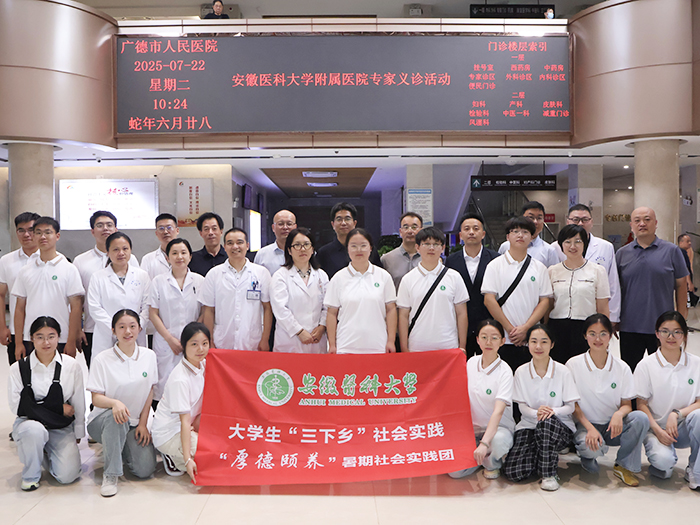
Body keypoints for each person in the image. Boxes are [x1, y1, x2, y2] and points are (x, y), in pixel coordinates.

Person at [567, 314, 649, 486]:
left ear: (611, 336)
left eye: (603, 334)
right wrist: (590, 428)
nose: (598, 339)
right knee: (592, 448)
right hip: (585, 426)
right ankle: (588, 457)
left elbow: (627, 405)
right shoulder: (573, 365)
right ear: (585, 336)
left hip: (612, 427)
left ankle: (624, 465)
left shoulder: (622, 367)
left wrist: (618, 414)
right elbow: (573, 405)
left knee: (640, 418)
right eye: (592, 334)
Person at [8, 316, 85, 491]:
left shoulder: (71, 366)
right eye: (40, 337)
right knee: (34, 431)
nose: (46, 342)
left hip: (59, 425)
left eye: (51, 336)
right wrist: (58, 408)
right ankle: (30, 476)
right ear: (32, 338)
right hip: (29, 423)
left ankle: (42, 453)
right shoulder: (18, 368)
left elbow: (78, 401)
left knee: (68, 476)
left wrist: (79, 430)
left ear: (58, 337)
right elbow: (17, 407)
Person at [86, 309, 158, 497]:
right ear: (113, 330)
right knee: (116, 418)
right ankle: (111, 475)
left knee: (145, 470)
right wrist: (114, 403)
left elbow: (149, 391)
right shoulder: (102, 359)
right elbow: (96, 398)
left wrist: (142, 423)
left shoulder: (149, 356)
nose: (128, 331)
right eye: (122, 327)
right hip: (103, 421)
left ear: (140, 329)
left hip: (134, 423)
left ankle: (120, 448)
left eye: (132, 326)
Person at [503, 324, 580, 491]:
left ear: (552, 344)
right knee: (514, 472)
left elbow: (570, 407)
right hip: (529, 425)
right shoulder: (521, 372)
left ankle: (549, 474)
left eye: (544, 342)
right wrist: (536, 412)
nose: (538, 346)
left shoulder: (563, 371)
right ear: (528, 344)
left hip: (559, 427)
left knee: (546, 423)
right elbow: (522, 408)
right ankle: (541, 455)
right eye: (533, 341)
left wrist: (552, 412)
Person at [616, 207, 688, 371]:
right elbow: (615, 289)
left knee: (664, 371)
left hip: (664, 327)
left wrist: (681, 318)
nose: (642, 224)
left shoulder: (672, 251)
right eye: (637, 220)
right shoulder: (621, 254)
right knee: (631, 373)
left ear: (655, 223)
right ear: (631, 226)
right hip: (630, 326)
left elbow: (681, 285)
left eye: (647, 219)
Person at [634, 311, 700, 489]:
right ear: (657, 334)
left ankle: (696, 471)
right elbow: (641, 404)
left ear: (684, 335)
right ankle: (664, 463)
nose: (671, 337)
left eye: (677, 332)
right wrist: (657, 430)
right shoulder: (645, 365)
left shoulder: (696, 363)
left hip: (684, 427)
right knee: (664, 464)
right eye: (665, 331)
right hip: (657, 428)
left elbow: (699, 402)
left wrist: (676, 414)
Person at [482, 217, 552, 373]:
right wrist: (510, 329)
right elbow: (489, 300)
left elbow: (545, 302)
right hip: (502, 338)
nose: (520, 235)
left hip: (531, 339)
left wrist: (526, 329)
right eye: (515, 231)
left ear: (531, 237)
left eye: (525, 232)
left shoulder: (539, 267)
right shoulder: (494, 266)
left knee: (531, 379)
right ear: (508, 237)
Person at [449, 320, 515, 480]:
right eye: (484, 337)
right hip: (472, 430)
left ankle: (491, 463)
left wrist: (484, 443)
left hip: (499, 429)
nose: (488, 342)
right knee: (454, 473)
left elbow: (498, 412)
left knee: (498, 441)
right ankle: (479, 457)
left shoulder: (505, 371)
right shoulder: (471, 363)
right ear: (477, 340)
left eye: (494, 338)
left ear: (502, 341)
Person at [74, 210, 140, 367]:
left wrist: (126, 327)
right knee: (101, 370)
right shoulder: (81, 261)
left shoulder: (132, 260)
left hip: (130, 331)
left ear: (115, 229)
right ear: (92, 231)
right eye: (100, 225)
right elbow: (77, 300)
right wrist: (77, 329)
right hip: (93, 328)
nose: (105, 228)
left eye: (109, 225)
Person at [12, 217, 84, 360]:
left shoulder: (69, 269)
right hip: (31, 338)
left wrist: (71, 341)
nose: (42, 237)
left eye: (47, 232)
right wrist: (18, 343)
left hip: (61, 338)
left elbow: (76, 308)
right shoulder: (25, 271)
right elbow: (19, 308)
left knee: (61, 374)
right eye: (38, 233)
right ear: (34, 236)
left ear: (57, 236)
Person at [149, 238, 204, 405]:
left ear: (190, 256)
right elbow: (153, 314)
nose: (179, 257)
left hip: (193, 343)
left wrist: (192, 339)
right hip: (166, 342)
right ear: (167, 258)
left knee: (191, 386)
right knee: (164, 385)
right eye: (174, 253)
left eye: (183, 252)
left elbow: (204, 312)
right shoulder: (158, 281)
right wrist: (170, 339)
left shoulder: (199, 281)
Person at [152, 322, 209, 481]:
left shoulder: (202, 364)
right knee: (209, 455)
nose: (200, 349)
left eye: (205, 343)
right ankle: (173, 456)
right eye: (194, 344)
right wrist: (188, 459)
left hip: (189, 424)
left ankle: (181, 456)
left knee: (219, 443)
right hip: (169, 433)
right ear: (184, 346)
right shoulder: (180, 379)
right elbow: (184, 421)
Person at [325, 228, 397, 354]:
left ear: (370, 248)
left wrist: (391, 341)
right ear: (347, 249)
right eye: (353, 246)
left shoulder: (383, 276)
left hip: (378, 345)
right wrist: (332, 344)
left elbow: (391, 309)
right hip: (346, 346)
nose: (359, 250)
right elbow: (331, 313)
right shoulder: (338, 278)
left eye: (363, 245)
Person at [397, 227, 468, 353]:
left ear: (442, 248)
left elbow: (461, 313)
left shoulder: (454, 277)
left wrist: (462, 346)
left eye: (436, 244)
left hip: (448, 345)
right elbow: (403, 315)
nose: (431, 248)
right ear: (418, 247)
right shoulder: (408, 279)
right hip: (417, 346)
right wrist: (404, 348)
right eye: (426, 244)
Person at [200, 228, 272, 350]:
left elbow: (267, 308)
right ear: (224, 247)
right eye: (230, 243)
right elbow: (209, 310)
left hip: (253, 341)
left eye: (239, 242)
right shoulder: (214, 274)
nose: (235, 246)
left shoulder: (261, 273)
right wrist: (210, 340)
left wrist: (265, 339)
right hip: (222, 341)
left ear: (247, 245)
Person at [548, 224, 610, 363]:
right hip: (557, 327)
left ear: (584, 244)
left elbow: (603, 307)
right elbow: (548, 305)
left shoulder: (597, 271)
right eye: (567, 242)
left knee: (584, 367)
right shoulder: (552, 271)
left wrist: (604, 334)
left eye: (577, 241)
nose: (572, 246)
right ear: (561, 245)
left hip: (586, 328)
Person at [555, 204, 621, 325]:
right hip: (561, 315)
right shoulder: (555, 247)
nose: (580, 223)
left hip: (593, 315)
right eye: (575, 219)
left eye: (585, 219)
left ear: (592, 222)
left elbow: (613, 284)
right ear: (567, 221)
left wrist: (612, 318)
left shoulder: (605, 246)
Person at [87, 232, 151, 357]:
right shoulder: (98, 277)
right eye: (115, 249)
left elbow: (147, 307)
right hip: (106, 336)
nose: (121, 253)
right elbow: (95, 308)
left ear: (130, 251)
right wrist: (116, 329)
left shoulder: (142, 276)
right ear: (108, 252)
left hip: (136, 335)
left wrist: (136, 327)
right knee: (106, 366)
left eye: (125, 249)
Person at [446, 212, 500, 358]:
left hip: (488, 324)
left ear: (483, 234)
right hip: (460, 326)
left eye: (476, 229)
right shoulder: (451, 261)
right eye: (467, 229)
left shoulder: (495, 259)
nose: (471, 232)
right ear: (460, 235)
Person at [269, 228, 329, 354]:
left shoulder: (321, 275)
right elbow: (280, 309)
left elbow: (327, 306)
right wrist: (299, 331)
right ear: (289, 250)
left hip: (317, 338)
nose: (302, 249)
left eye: (306, 244)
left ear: (312, 249)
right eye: (297, 245)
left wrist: (322, 327)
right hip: (290, 340)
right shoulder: (280, 276)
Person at [0, 212, 40, 365]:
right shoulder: (6, 261)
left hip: (47, 330)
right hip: (17, 331)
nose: (26, 234)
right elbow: (1, 295)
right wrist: (2, 327)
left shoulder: (51, 259)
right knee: (19, 373)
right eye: (21, 230)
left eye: (31, 230)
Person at [316, 202, 382, 279]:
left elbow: (379, 275)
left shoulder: (368, 250)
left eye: (347, 219)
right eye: (339, 219)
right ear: (333, 224)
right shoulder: (324, 253)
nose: (343, 223)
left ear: (354, 223)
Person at [498, 201, 559, 268]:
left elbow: (554, 273)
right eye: (531, 217)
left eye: (539, 218)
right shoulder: (505, 246)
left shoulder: (549, 251)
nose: (535, 222)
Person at [380, 212, 423, 290]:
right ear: (400, 231)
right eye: (406, 227)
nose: (410, 231)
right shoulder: (387, 259)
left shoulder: (428, 258)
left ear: (421, 230)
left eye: (414, 227)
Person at [254, 209, 297, 277]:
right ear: (273, 227)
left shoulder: (305, 252)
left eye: (289, 224)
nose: (285, 227)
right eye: (280, 224)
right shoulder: (262, 254)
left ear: (295, 227)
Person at [140, 213, 180, 280]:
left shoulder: (186, 256)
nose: (165, 232)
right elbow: (143, 283)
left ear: (177, 230)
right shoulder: (148, 259)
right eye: (161, 228)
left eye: (169, 228)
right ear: (156, 233)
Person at [189, 212, 227, 277]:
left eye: (214, 228)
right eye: (206, 229)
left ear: (221, 231)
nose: (210, 233)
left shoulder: (230, 257)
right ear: (201, 233)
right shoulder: (192, 259)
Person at [678, 233, 697, 306]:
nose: (689, 243)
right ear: (681, 242)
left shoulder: (685, 252)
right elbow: (684, 268)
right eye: (687, 241)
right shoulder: (681, 252)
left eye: (690, 241)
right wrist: (689, 282)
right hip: (683, 281)